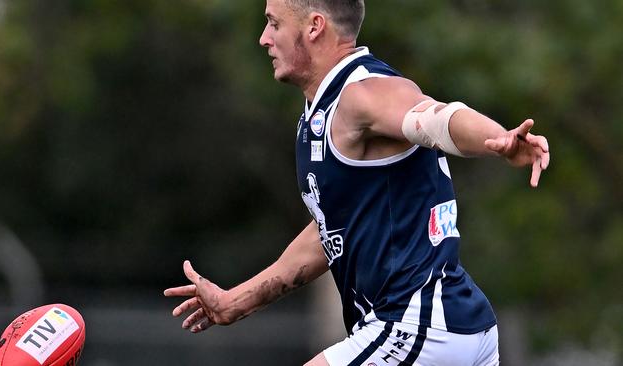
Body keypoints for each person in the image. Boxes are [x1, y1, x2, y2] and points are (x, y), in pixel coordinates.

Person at [164, 0, 550, 365]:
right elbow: (331, 231)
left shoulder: (361, 93)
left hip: (419, 326)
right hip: (453, 328)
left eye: (274, 22)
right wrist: (237, 301)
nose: (264, 37)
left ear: (315, 26)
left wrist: (498, 141)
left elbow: (436, 118)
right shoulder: (322, 112)